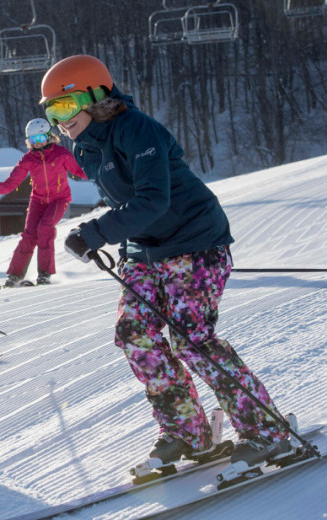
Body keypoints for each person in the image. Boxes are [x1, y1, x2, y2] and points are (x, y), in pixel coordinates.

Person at [43, 55, 290, 468]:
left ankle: (266, 430)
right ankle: (186, 432)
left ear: (97, 95)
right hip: (146, 250)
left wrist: (96, 233)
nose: (60, 120)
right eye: (52, 112)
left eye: (65, 107)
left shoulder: (138, 129)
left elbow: (154, 199)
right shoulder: (85, 144)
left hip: (195, 240)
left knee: (191, 338)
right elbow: (126, 203)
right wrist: (121, 246)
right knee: (134, 333)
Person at [0, 118, 87, 287]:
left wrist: (100, 173)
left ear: (49, 137)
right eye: (33, 141)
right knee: (29, 235)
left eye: (41, 139)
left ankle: (45, 274)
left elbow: (79, 171)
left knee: (45, 228)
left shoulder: (61, 154)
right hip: (38, 201)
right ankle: (14, 276)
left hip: (59, 199)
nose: (38, 144)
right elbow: (11, 183)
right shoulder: (28, 159)